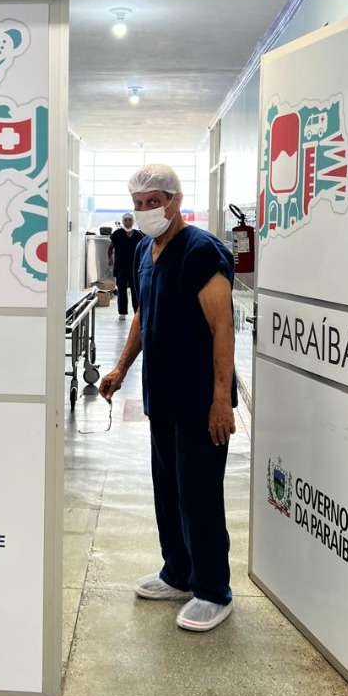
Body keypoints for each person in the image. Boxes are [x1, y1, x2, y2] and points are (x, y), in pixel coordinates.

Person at [99, 164, 238, 633]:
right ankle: (178, 573)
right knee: (169, 489)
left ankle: (213, 590)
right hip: (162, 394)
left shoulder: (202, 252)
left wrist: (221, 400)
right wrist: (121, 367)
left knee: (199, 493)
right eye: (138, 204)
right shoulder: (144, 249)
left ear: (175, 201)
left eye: (153, 202)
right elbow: (144, 313)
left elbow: (223, 327)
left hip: (200, 398)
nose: (145, 211)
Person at [107, 213, 144, 320]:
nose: (128, 222)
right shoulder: (117, 234)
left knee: (135, 291)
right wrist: (109, 258)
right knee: (122, 290)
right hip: (121, 267)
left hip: (135, 268)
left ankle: (137, 312)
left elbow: (143, 249)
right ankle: (122, 312)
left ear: (133, 221)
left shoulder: (138, 235)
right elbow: (110, 248)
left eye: (130, 220)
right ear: (123, 221)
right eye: (126, 220)